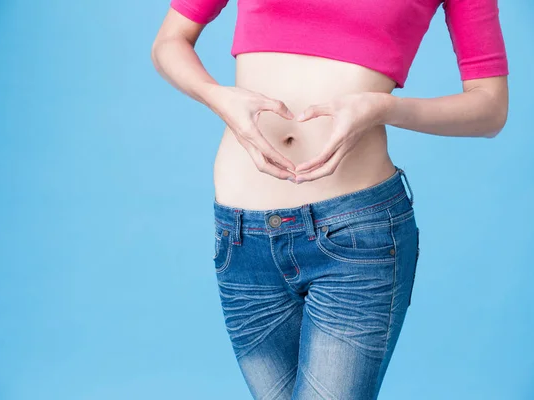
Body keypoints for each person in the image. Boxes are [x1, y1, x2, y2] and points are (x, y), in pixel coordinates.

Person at [151, 0, 509, 398]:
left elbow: (490, 107)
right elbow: (169, 41)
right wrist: (217, 96)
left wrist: (383, 108)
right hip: (242, 236)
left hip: (356, 233)